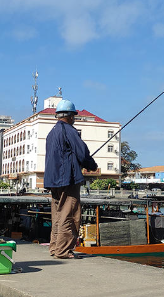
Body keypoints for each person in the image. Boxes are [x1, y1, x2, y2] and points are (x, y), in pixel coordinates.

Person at [44, 99, 98, 259]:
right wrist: (91, 165)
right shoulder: (69, 130)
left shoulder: (51, 133)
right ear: (70, 116)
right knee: (70, 213)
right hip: (68, 179)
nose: (74, 119)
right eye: (74, 116)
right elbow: (82, 152)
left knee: (58, 214)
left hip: (53, 181)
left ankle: (55, 248)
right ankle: (63, 250)